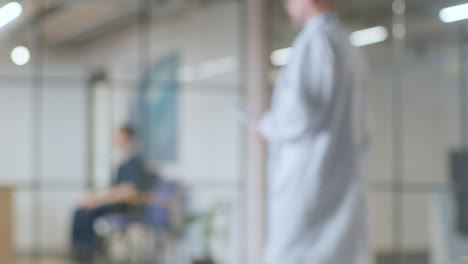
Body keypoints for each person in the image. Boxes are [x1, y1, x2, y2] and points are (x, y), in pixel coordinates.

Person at [256, 0, 372, 263]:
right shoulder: (347, 46)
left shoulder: (315, 43)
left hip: (311, 185)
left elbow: (298, 116)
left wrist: (265, 126)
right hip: (339, 183)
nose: (286, 7)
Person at [71, 125, 152, 262]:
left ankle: (88, 253)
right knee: (80, 210)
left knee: (87, 213)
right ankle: (78, 251)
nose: (115, 139)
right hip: (114, 202)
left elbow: (128, 191)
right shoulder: (121, 164)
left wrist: (98, 201)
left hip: (125, 207)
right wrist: (94, 197)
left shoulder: (135, 163)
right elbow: (114, 188)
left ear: (127, 138)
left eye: (119, 136)